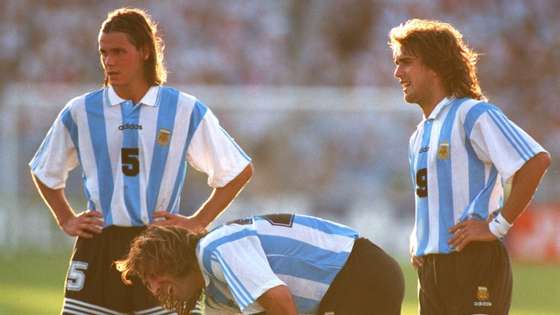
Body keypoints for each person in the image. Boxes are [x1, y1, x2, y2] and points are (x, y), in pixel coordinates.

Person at [29, 7, 253, 315]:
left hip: (162, 245)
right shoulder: (80, 111)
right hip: (100, 243)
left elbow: (238, 171)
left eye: (119, 52)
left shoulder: (183, 109)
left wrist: (199, 221)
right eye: (103, 52)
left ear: (145, 51)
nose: (109, 61)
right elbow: (43, 169)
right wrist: (64, 217)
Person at [388, 19, 551, 315]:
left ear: (435, 67)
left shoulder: (471, 113)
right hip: (432, 271)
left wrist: (497, 226)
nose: (397, 72)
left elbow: (535, 160)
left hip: (473, 261)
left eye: (406, 62)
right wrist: (420, 238)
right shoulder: (419, 135)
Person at [116, 213, 405, 315]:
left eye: (155, 275)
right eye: (147, 281)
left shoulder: (215, 249)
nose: (153, 288)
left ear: (173, 260)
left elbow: (279, 300)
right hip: (352, 278)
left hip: (359, 274)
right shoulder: (215, 289)